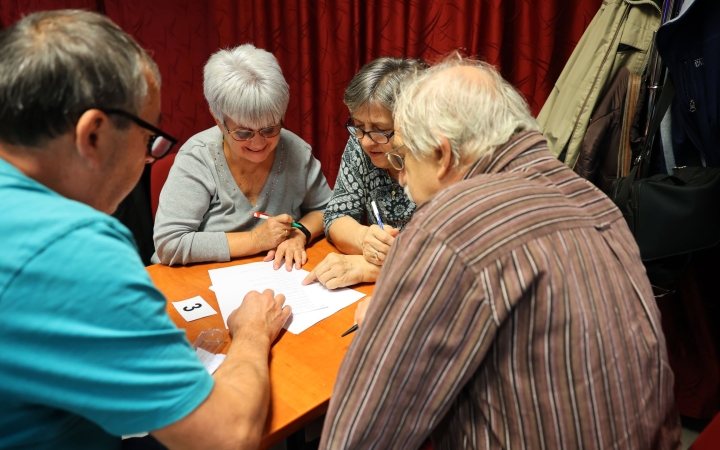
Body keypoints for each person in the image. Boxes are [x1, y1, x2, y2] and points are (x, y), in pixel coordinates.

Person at [320, 56, 681, 449]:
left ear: (442, 155)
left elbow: (357, 437)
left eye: (402, 158)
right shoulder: (593, 199)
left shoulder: (449, 226)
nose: (401, 175)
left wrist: (391, 322)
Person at [0, 10, 291, 449]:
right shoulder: (74, 249)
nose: (149, 159)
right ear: (93, 135)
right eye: (147, 140)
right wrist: (251, 331)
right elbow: (226, 436)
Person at [153, 44, 332, 270]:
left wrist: (300, 234)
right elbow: (170, 244)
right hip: (197, 280)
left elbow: (327, 209)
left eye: (269, 129)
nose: (258, 144)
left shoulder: (296, 150)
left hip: (274, 277)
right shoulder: (198, 157)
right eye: (244, 132)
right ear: (218, 120)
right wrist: (255, 241)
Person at [302, 57, 426, 289]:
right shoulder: (360, 140)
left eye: (380, 130)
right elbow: (336, 215)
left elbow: (450, 254)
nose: (367, 142)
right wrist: (363, 238)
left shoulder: (435, 159)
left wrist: (370, 269)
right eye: (358, 126)